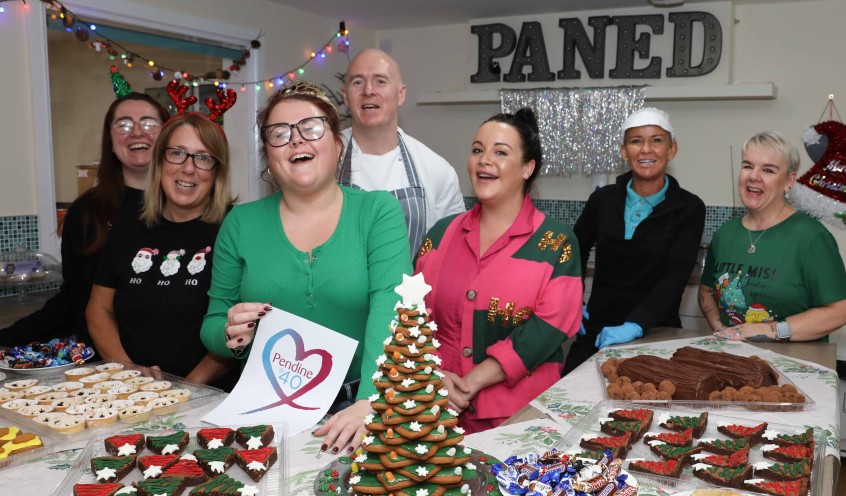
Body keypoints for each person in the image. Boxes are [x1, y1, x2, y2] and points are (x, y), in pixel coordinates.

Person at [200, 82, 411, 453]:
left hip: (357, 403)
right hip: (265, 405)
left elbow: (391, 307)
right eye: (279, 133)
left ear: (338, 146)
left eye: (311, 128)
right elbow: (213, 324)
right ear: (268, 156)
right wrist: (230, 334)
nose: (296, 139)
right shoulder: (240, 223)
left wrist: (372, 399)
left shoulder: (378, 212)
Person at [415, 108, 582, 432]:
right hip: (434, 412)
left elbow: (547, 329)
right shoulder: (441, 234)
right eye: (478, 150)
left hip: (520, 420)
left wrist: (471, 382)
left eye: (501, 152)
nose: (484, 160)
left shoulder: (556, 243)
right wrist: (433, 374)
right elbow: (410, 315)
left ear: (527, 167)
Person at [0, 93, 169, 349]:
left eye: (148, 123)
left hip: (178, 358)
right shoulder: (87, 212)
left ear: (167, 136)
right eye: (123, 124)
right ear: (110, 141)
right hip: (107, 361)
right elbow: (73, 300)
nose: (137, 132)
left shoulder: (187, 205)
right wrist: (7, 339)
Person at [87, 111, 236, 385]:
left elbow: (238, 328)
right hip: (131, 390)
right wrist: (127, 371)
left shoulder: (234, 229)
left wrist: (185, 388)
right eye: (177, 153)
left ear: (217, 171)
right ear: (159, 161)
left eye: (203, 158)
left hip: (208, 394)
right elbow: (98, 310)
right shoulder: (127, 226)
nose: (188, 168)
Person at [562, 107, 705, 374]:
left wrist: (637, 324)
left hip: (657, 330)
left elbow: (676, 275)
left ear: (672, 149)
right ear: (624, 151)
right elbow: (573, 250)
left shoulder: (689, 208)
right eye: (636, 141)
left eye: (656, 140)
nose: (646, 149)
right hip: (596, 329)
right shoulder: (602, 200)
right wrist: (571, 300)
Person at [699, 131, 846, 341]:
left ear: (789, 180)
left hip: (794, 358)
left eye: (768, 170)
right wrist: (722, 330)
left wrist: (768, 331)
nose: (754, 176)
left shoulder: (810, 236)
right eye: (748, 166)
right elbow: (706, 291)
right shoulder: (725, 234)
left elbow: (841, 311)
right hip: (732, 356)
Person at [339, 48, 466, 257]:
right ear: (346, 96)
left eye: (380, 81)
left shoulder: (436, 170)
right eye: (358, 82)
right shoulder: (322, 161)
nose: (368, 90)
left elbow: (452, 253)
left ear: (401, 94)